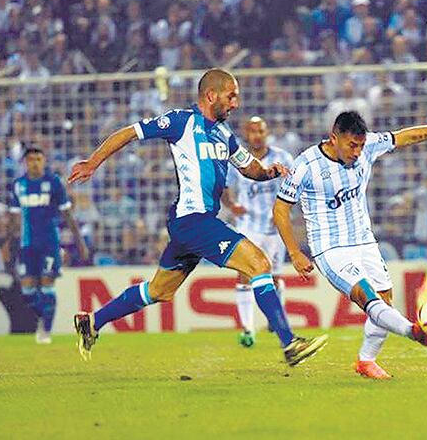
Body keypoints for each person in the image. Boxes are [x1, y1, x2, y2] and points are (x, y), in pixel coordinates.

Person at [69, 68, 327, 367]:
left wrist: (269, 172)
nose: (235, 104)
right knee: (258, 263)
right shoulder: (181, 121)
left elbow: (248, 167)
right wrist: (93, 162)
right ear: (211, 95)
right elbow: (129, 132)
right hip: (194, 219)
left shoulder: (224, 134)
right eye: (231, 96)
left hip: (191, 224)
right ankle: (290, 343)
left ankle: (92, 322)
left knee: (159, 290)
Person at [273, 111, 427, 380]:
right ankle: (413, 331)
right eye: (351, 145)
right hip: (330, 248)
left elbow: (407, 136)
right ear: (333, 138)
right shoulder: (306, 165)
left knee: (384, 299)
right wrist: (294, 251)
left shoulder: (368, 146)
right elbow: (280, 209)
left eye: (361, 145)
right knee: (366, 296)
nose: (358, 152)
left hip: (364, 241)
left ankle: (366, 361)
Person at [222, 116, 294, 348]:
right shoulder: (239, 159)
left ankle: (275, 320)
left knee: (273, 277)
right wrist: (232, 205)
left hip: (274, 228)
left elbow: (295, 185)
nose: (257, 135)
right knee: (245, 274)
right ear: (246, 133)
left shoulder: (282, 158)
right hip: (248, 227)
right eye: (252, 131)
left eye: (260, 130)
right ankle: (247, 329)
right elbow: (224, 185)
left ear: (267, 132)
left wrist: (284, 212)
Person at [6, 147, 88, 344]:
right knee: (27, 290)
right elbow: (14, 218)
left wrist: (80, 242)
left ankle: (46, 330)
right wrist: (8, 243)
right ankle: (44, 317)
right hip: (27, 244)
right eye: (31, 159)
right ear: (25, 162)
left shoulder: (53, 183)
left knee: (47, 284)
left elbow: (67, 214)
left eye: (39, 159)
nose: (35, 162)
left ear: (44, 161)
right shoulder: (18, 185)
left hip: (49, 243)